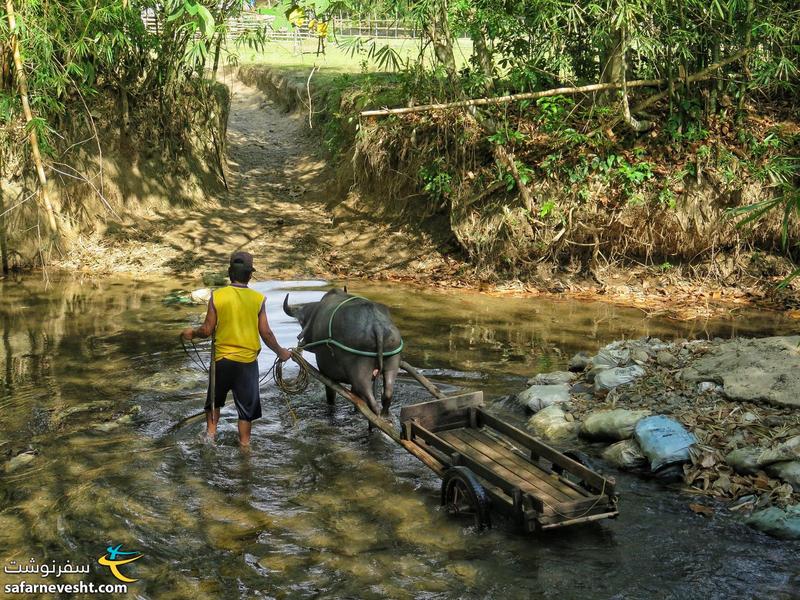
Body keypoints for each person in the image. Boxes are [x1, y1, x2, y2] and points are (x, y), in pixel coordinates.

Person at [181, 251, 292, 446]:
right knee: (246, 411)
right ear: (250, 275)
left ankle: (210, 436)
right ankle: (245, 447)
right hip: (247, 364)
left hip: (222, 362)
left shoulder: (218, 296)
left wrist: (192, 334)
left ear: (229, 272)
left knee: (214, 401)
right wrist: (281, 352)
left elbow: (207, 330)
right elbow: (266, 334)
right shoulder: (258, 299)